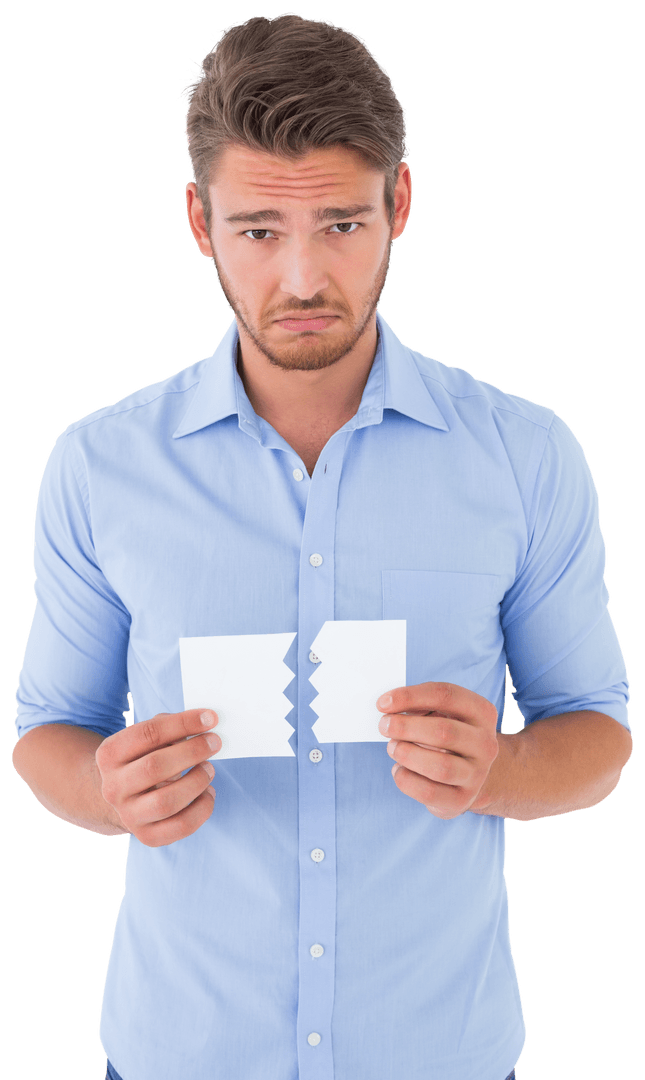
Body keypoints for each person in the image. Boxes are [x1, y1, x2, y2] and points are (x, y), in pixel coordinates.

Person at [11, 13, 632, 1080]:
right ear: (200, 222)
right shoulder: (98, 465)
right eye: (259, 231)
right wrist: (108, 794)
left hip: (439, 1050)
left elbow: (600, 736)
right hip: (183, 1049)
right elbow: (45, 735)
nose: (302, 280)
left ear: (399, 204)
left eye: (340, 224)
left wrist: (504, 767)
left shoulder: (524, 455)